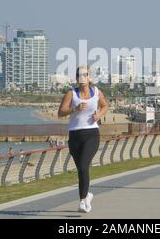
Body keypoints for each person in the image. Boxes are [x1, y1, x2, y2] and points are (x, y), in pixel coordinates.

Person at [58, 65, 108, 213]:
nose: (83, 77)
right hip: (74, 136)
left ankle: (81, 201)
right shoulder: (71, 94)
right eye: (80, 74)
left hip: (92, 134)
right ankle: (87, 197)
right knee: (81, 168)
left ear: (90, 77)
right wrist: (75, 108)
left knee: (84, 165)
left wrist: (98, 115)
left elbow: (105, 106)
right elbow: (60, 113)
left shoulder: (97, 92)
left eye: (85, 74)